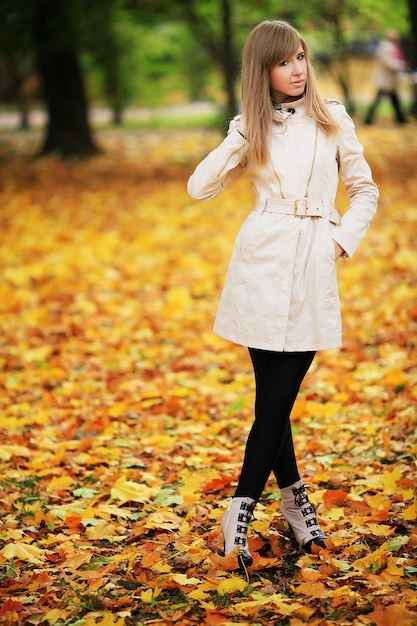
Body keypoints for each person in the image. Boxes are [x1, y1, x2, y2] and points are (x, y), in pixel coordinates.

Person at [187, 20, 378, 568]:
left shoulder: (332, 117)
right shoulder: (251, 126)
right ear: (262, 71)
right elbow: (200, 187)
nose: (298, 69)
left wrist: (340, 242)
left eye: (302, 57)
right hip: (260, 262)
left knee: (281, 395)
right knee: (274, 401)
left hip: (314, 257)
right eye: (284, 61)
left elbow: (365, 190)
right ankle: (296, 510)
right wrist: (240, 136)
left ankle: (239, 507)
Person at [365, 29, 407, 124]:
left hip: (389, 79)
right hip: (385, 79)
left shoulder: (391, 46)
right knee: (380, 99)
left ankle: (400, 118)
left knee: (394, 99)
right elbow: (388, 63)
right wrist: (401, 64)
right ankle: (368, 119)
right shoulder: (386, 47)